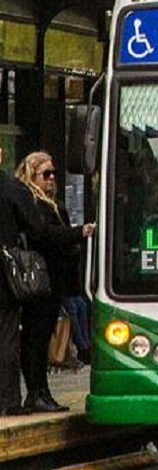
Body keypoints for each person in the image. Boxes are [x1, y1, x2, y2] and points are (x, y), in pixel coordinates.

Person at [0, 147, 92, 416]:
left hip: (31, 279)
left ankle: (26, 396)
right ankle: (10, 400)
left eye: (54, 173)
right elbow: (40, 232)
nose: (52, 178)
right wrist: (79, 232)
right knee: (13, 337)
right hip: (17, 277)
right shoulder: (15, 191)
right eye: (46, 173)